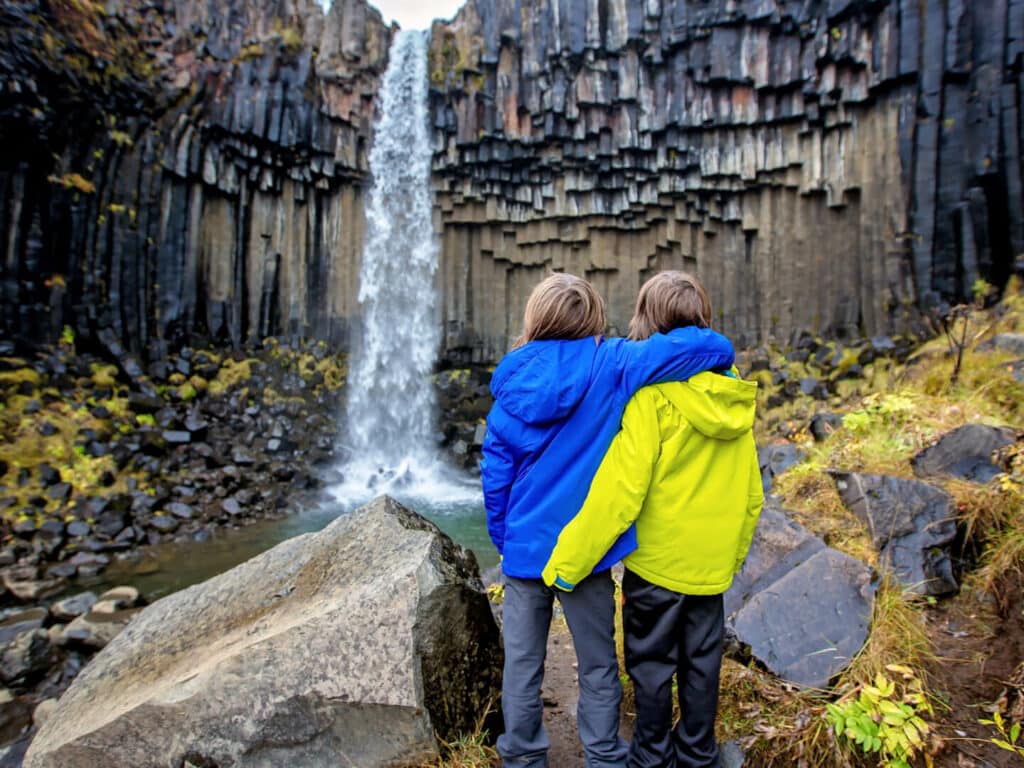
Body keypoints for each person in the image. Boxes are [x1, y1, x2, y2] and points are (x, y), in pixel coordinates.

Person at [482, 272, 736, 768]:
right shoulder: (614, 363)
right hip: (588, 553)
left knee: (523, 665)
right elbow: (695, 349)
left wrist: (505, 540)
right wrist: (721, 347)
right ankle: (603, 755)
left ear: (536, 318)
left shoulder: (511, 383)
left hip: (525, 549)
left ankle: (523, 756)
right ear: (595, 317)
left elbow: (496, 479)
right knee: (598, 664)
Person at [541, 271, 764, 768]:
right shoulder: (735, 399)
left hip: (656, 571)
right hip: (710, 570)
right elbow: (753, 494)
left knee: (651, 667)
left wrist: (569, 563)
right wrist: (731, 557)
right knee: (703, 667)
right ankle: (699, 753)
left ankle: (651, 754)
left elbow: (618, 494)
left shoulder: (651, 399)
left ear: (647, 320)